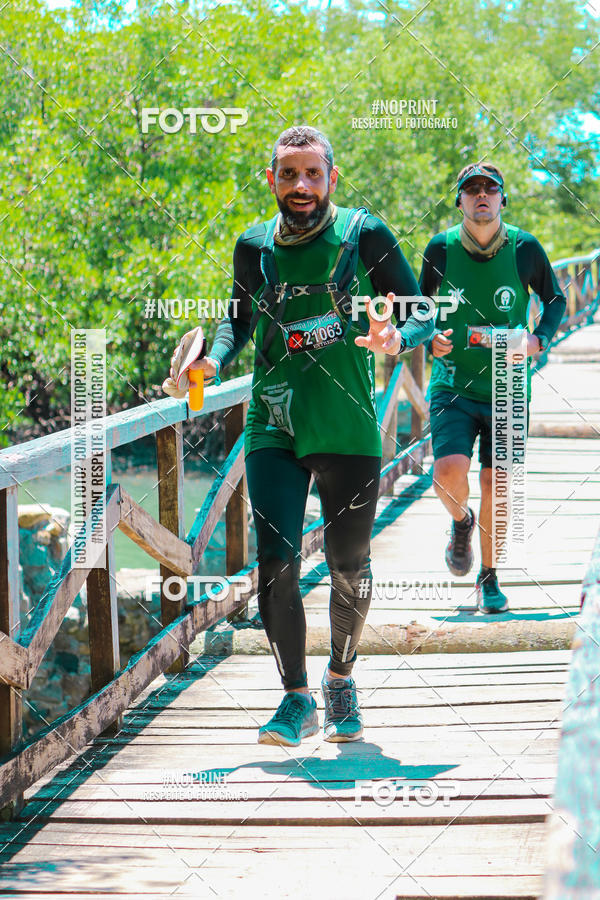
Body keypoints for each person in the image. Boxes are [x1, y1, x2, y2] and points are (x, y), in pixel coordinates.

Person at [170, 125, 433, 746]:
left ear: (331, 178)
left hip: (345, 426)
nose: (301, 186)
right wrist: (211, 362)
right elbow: (235, 322)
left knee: (348, 565)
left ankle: (341, 678)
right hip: (274, 422)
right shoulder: (254, 247)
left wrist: (398, 337)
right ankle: (295, 698)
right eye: (288, 174)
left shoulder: (364, 235)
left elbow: (421, 309)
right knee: (275, 562)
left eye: (312, 173)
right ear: (272, 180)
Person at [419, 163, 566, 614]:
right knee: (447, 472)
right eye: (471, 189)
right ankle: (461, 522)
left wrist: (540, 337)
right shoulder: (440, 249)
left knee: (496, 483)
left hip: (508, 386)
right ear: (459, 200)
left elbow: (556, 298)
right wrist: (430, 338)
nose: (481, 196)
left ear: (503, 199)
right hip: (453, 385)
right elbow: (419, 309)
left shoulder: (525, 247)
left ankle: (488, 577)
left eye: (490, 189)